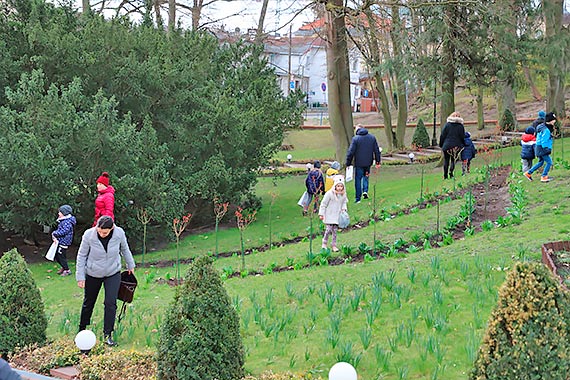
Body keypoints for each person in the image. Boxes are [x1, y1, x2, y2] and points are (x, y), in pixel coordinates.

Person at [76, 216, 135, 346]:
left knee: (110, 303)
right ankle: (81, 330)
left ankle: (108, 334)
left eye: (105, 232)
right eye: (100, 231)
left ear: (112, 228)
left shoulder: (119, 233)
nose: (102, 234)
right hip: (93, 273)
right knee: (88, 302)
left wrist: (130, 265)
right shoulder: (88, 235)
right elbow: (81, 255)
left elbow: (125, 249)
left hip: (112, 272)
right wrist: (80, 276)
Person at [345, 124, 381, 203]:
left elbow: (351, 152)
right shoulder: (372, 137)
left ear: (357, 130)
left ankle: (358, 198)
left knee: (358, 179)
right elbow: (376, 150)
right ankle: (365, 190)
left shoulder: (355, 139)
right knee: (366, 176)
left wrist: (348, 163)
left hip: (359, 163)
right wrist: (378, 161)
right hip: (368, 162)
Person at [524, 112, 556, 183]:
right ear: (550, 120)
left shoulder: (542, 127)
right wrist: (546, 149)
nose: (555, 121)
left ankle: (528, 173)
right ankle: (544, 176)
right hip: (542, 148)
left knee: (541, 162)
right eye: (554, 120)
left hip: (538, 147)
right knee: (549, 162)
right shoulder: (546, 130)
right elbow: (544, 141)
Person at [319, 176, 348, 252]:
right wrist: (321, 214)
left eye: (341, 186)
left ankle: (333, 245)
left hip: (337, 215)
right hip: (329, 214)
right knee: (328, 229)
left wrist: (344, 209)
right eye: (338, 186)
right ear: (335, 186)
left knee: (335, 231)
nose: (339, 188)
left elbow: (344, 202)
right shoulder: (329, 194)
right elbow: (323, 204)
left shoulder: (343, 195)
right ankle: (324, 243)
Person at [439, 112, 466, 179]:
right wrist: (463, 144)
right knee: (453, 160)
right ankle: (451, 173)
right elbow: (462, 137)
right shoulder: (461, 126)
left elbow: (442, 135)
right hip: (456, 146)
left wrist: (441, 144)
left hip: (447, 145)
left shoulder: (447, 125)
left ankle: (445, 175)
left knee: (446, 160)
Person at [51, 205, 76, 276]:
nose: (58, 213)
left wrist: (55, 233)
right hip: (60, 241)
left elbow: (64, 231)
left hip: (64, 242)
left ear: (64, 213)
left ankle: (67, 270)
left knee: (61, 256)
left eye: (60, 212)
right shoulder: (63, 221)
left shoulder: (67, 222)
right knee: (57, 256)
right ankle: (64, 267)